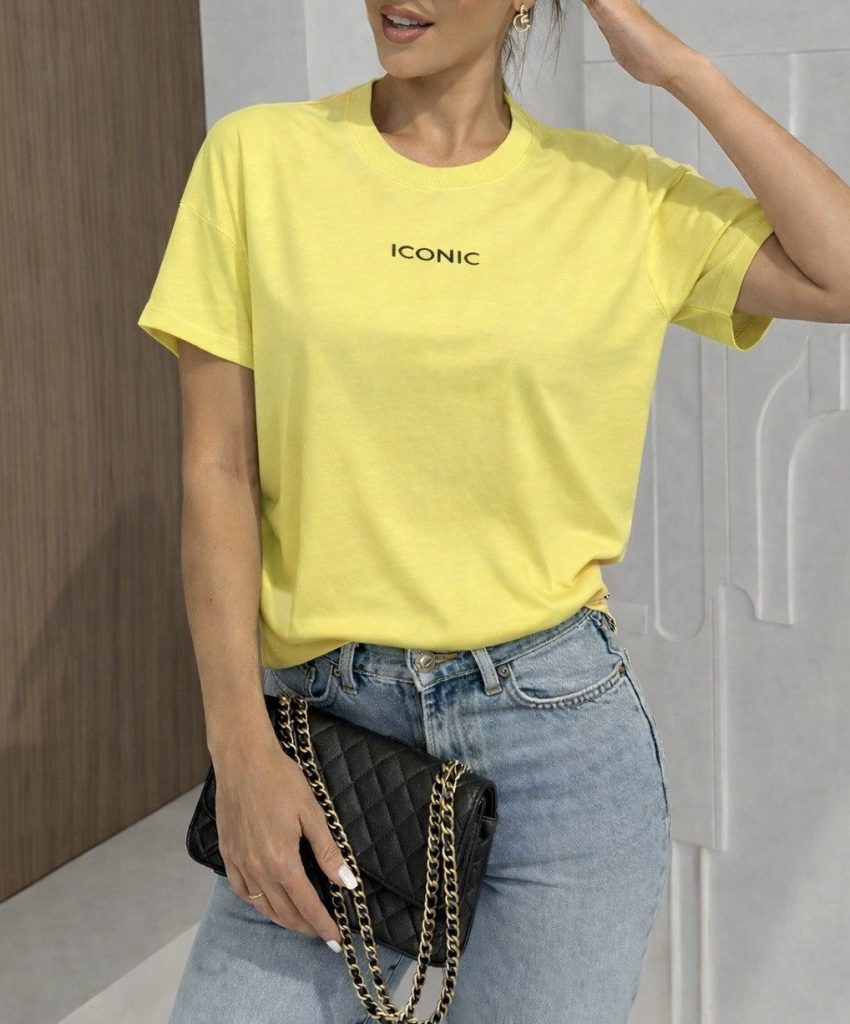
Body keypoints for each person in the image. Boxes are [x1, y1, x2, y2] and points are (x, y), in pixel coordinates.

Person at [137, 3, 780, 1021]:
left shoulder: (617, 194)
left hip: (556, 745)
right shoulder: (260, 159)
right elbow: (217, 465)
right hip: (328, 732)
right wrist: (239, 747)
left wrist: (681, 67)